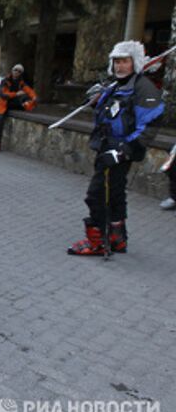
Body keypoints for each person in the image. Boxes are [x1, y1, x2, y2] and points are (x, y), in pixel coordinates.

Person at [68, 41, 164, 256]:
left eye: (125, 61)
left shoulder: (142, 87)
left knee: (96, 195)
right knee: (115, 193)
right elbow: (108, 111)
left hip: (120, 149)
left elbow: (150, 124)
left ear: (134, 62)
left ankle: (98, 242)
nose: (120, 66)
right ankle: (116, 238)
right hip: (106, 146)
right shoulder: (116, 86)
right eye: (117, 61)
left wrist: (124, 151)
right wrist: (97, 99)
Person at [0, 64, 37, 152]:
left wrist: (34, 97)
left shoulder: (21, 83)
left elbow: (29, 91)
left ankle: (25, 105)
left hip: (13, 103)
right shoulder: (5, 81)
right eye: (15, 70)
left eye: (19, 71)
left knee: (26, 100)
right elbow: (3, 95)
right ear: (12, 70)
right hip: (3, 104)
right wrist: (15, 94)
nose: (16, 72)